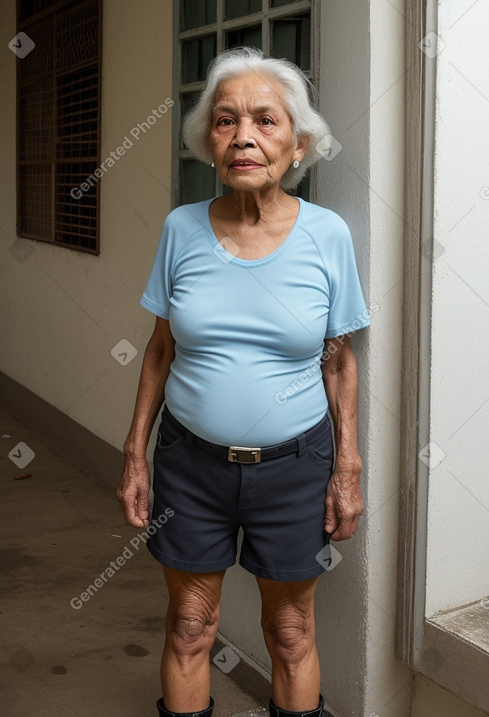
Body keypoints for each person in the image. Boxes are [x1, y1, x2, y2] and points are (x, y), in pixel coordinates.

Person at [117, 46, 370, 717]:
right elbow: (159, 348)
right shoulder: (181, 230)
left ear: (298, 142)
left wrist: (348, 464)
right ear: (210, 142)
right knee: (190, 627)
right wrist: (135, 450)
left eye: (265, 120)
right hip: (189, 464)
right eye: (226, 122)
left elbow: (338, 357)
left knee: (290, 634)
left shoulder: (327, 237)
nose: (245, 137)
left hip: (295, 467)